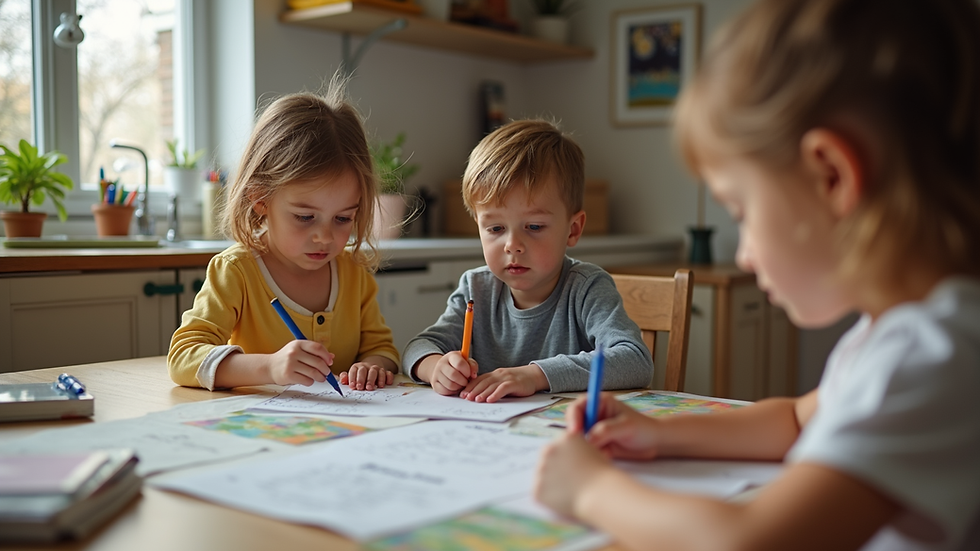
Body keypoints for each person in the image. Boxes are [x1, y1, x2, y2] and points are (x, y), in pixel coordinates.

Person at [534, 0, 980, 549]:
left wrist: (591, 491)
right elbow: (795, 422)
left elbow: (749, 541)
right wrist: (656, 431)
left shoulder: (934, 354)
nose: (743, 254)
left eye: (741, 210)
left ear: (831, 177)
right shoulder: (906, 335)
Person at [168, 82, 399, 392]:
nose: (325, 237)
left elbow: (382, 348)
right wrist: (271, 367)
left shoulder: (353, 274)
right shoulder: (237, 272)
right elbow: (183, 357)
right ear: (260, 198)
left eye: (343, 218)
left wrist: (374, 366)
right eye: (305, 217)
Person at [402, 119, 653, 403]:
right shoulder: (476, 288)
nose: (512, 245)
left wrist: (533, 376)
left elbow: (635, 360)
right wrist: (436, 367)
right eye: (495, 229)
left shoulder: (587, 288)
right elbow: (418, 347)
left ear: (573, 229)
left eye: (534, 227)